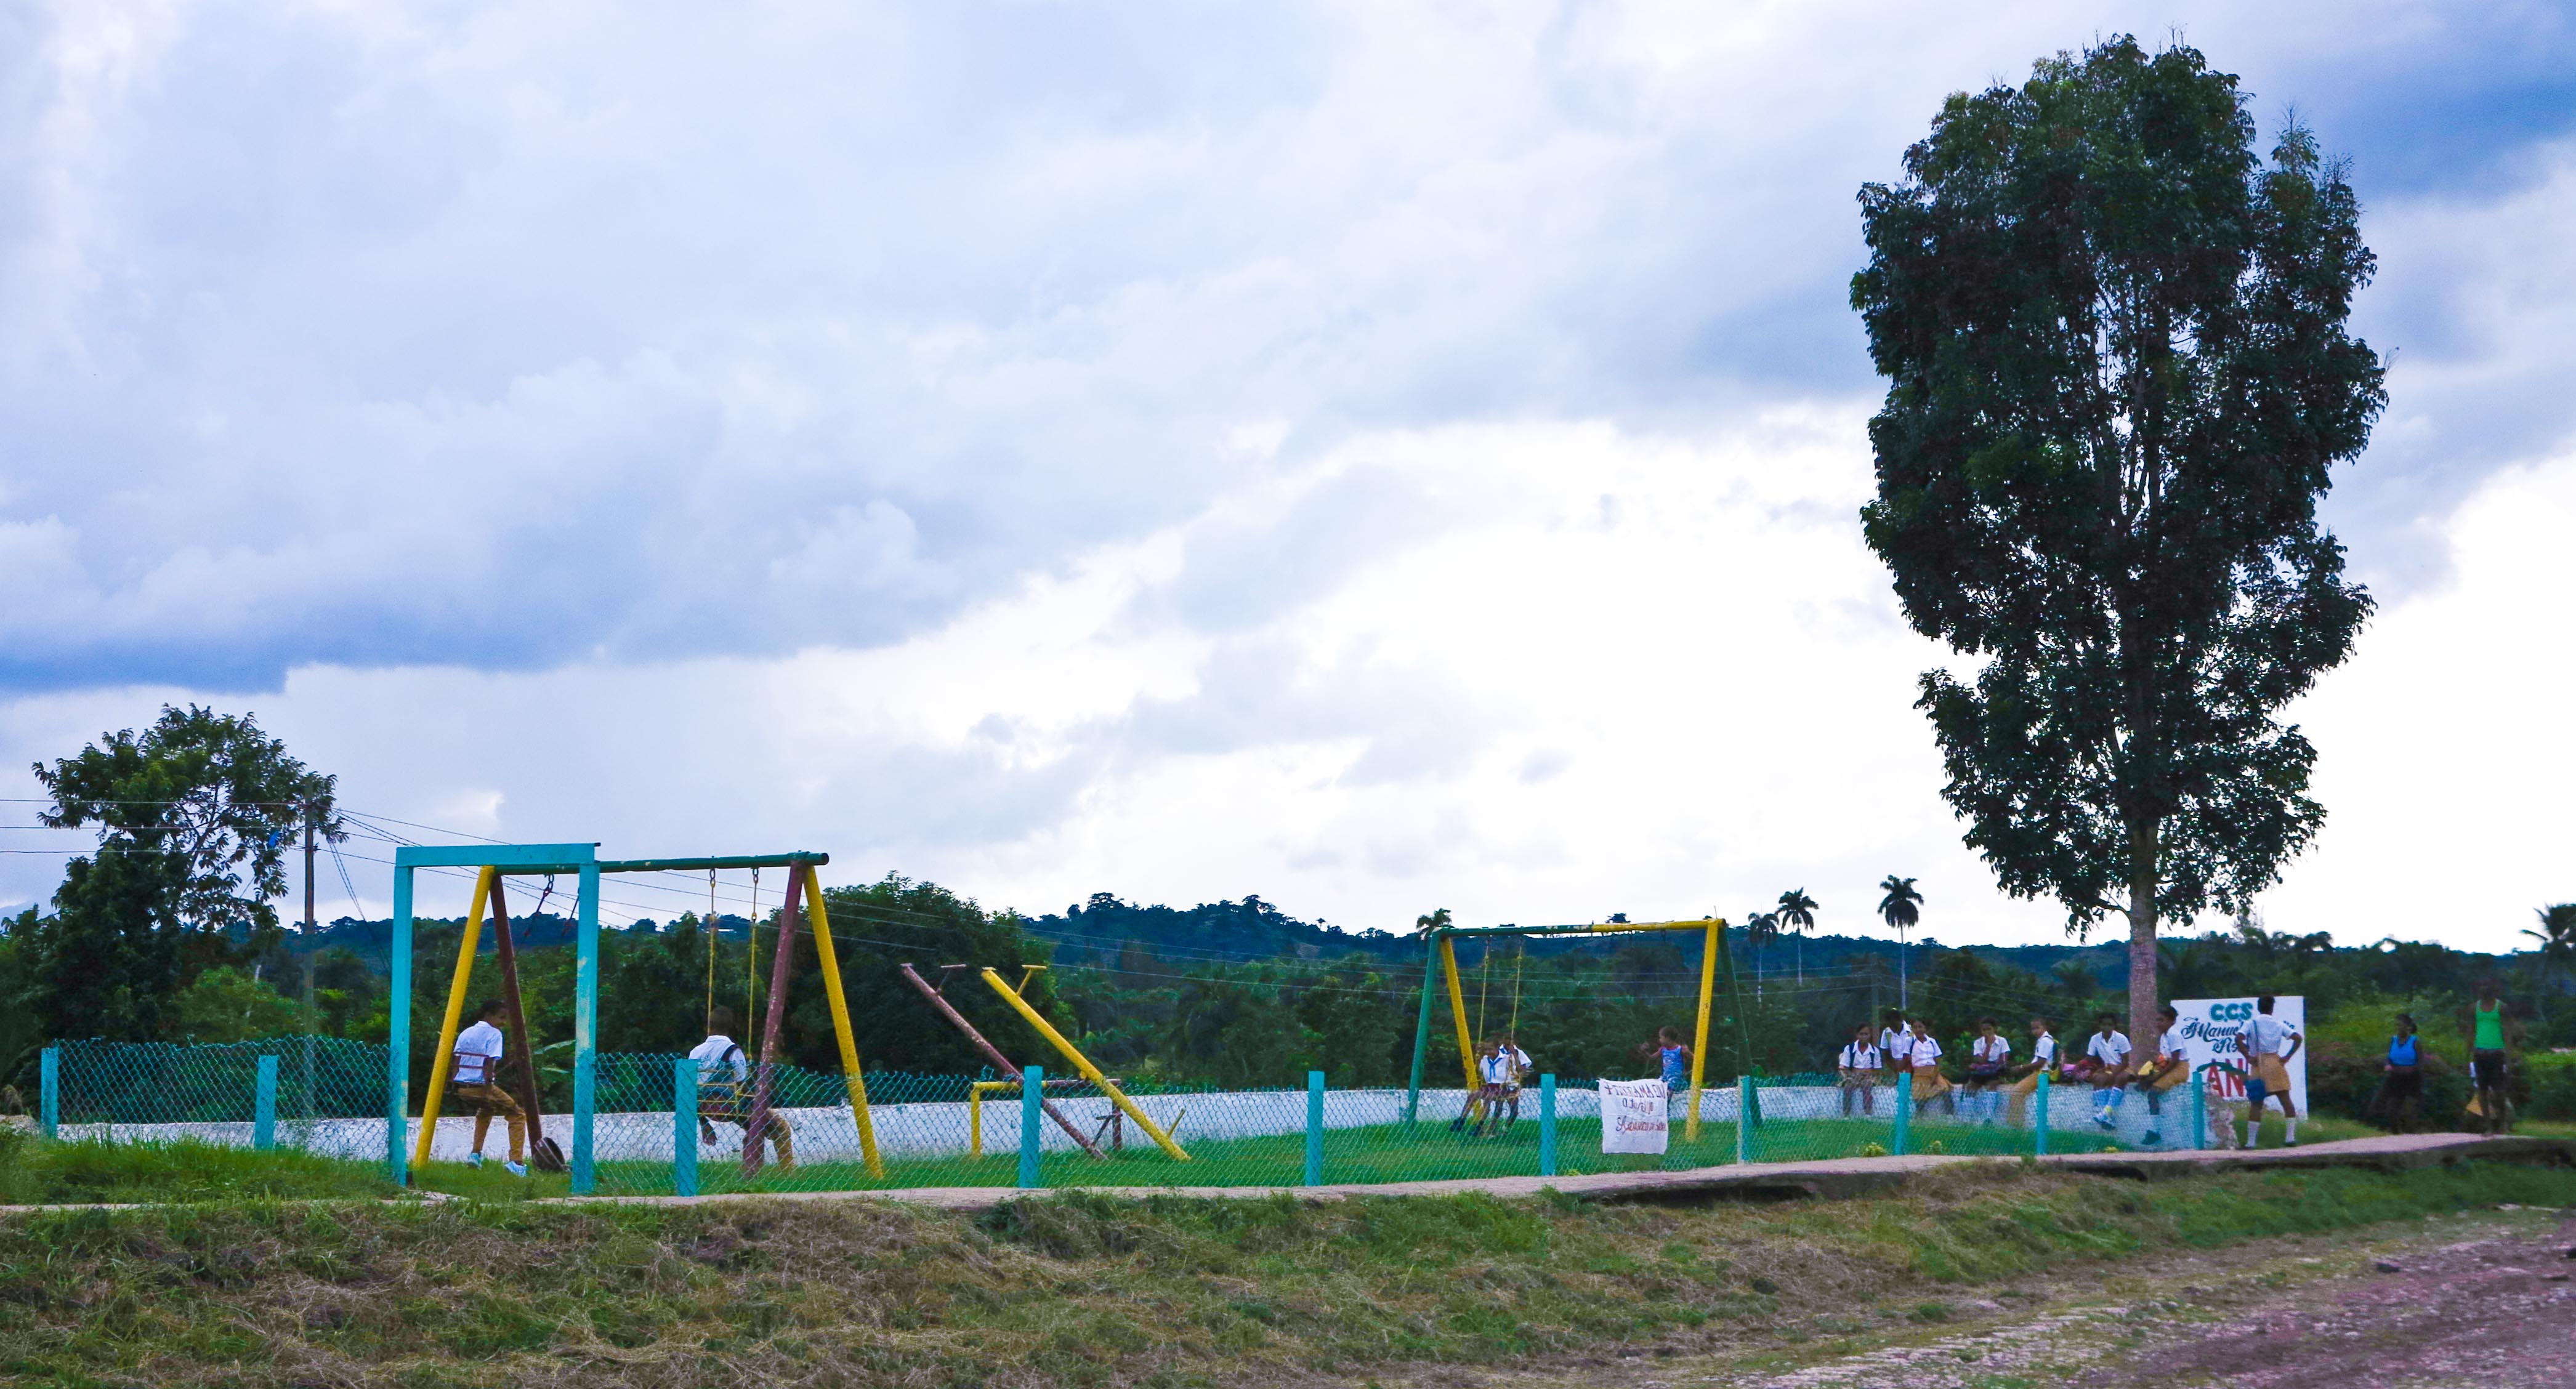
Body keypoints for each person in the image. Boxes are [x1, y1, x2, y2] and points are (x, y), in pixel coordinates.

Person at [691, 1008, 795, 1167]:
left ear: (708, 1027)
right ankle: (785, 1172)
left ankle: (752, 1164)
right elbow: (741, 1079)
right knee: (781, 1128)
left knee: (754, 1128)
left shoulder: (695, 1052)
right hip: (732, 1106)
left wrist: (704, 1123)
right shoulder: (733, 1050)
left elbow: (692, 1086)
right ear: (730, 1028)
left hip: (706, 1109)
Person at [450, 999, 527, 1177]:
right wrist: (489, 1083)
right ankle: (516, 1162)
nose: (504, 1022)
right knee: (517, 1114)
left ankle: (475, 1155)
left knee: (485, 1111)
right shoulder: (495, 1034)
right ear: (488, 1016)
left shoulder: (466, 1032)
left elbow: (456, 1059)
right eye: (501, 1017)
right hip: (481, 1087)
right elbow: (490, 1062)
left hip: (462, 1088)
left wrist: (455, 1083)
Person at [2234, 994, 2303, 1148]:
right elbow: (2298, 1038)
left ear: (2259, 1008)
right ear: (2272, 1008)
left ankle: (2251, 1142)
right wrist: (2287, 1057)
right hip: (2276, 1062)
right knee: (2285, 1100)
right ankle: (2290, 1138)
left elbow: (2238, 1038)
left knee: (2256, 1104)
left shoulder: (2251, 1023)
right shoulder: (2279, 1024)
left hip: (2258, 1064)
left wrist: (2248, 1056)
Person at [2128, 1005, 2190, 1146]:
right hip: (2168, 1065)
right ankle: (2153, 1129)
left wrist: (2156, 1077)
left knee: (2153, 1093)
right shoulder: (2164, 1036)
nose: (2158, 1023)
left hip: (2179, 1068)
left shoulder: (2174, 1035)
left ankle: (2155, 1130)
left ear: (2172, 1021)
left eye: (2161, 1020)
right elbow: (2164, 1058)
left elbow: (2175, 1061)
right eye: (2157, 1020)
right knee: (2142, 1079)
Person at [2463, 984, 2516, 1135]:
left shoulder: (2502, 1007)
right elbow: (2471, 1032)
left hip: (2497, 1053)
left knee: (2499, 1091)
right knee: (2482, 1091)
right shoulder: (2474, 1008)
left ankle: (2503, 1123)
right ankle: (2488, 1126)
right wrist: (2466, 1056)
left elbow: (2508, 1033)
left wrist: (2509, 1058)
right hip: (2480, 1054)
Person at [2078, 1012, 2131, 1131]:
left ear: (2114, 1026)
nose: (2107, 1028)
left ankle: (2105, 1112)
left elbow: (2126, 1062)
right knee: (2098, 1079)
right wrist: (2087, 1069)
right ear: (2100, 1025)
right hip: (2108, 1068)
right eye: (2104, 1025)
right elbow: (2090, 1058)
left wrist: (2114, 1074)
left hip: (2123, 1067)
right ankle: (2108, 1118)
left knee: (2120, 1078)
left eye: (2110, 1025)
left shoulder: (2121, 1039)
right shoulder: (2095, 1039)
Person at [2005, 1017, 2057, 1128]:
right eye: (2033, 1029)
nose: (2035, 1031)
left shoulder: (2045, 1041)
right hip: (2039, 1073)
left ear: (2045, 1027)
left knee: (2017, 1092)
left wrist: (2021, 1068)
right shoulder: (2043, 1040)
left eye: (2038, 1028)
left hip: (2042, 1074)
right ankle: (2015, 1124)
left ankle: (2016, 1125)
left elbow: (2040, 1063)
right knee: (2016, 1090)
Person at [1899, 1014, 1956, 1116]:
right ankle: (1920, 1115)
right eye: (1915, 1027)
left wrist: (1934, 1075)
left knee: (1945, 1090)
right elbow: (1906, 1058)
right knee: (1919, 1096)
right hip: (1919, 1073)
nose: (1918, 1030)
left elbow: (1938, 1060)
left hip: (1933, 1071)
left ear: (1925, 1028)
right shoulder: (1909, 1041)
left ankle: (1950, 1115)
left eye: (1920, 1027)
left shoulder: (1932, 1042)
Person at [2377, 1012, 2424, 1134]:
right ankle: (2397, 1136)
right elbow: (2387, 1057)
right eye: (2397, 1025)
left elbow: (2421, 1062)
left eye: (2400, 1025)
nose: (2398, 1028)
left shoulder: (2415, 1042)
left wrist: (2410, 1070)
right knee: (2391, 1112)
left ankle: (2411, 1137)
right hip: (2395, 1078)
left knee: (2409, 1112)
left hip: (2411, 1079)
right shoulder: (2392, 1040)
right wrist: (2387, 1065)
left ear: (2408, 1027)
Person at [1963, 1018, 2010, 1124]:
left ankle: (1988, 1118)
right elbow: (1981, 1060)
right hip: (1982, 1069)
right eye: (1984, 1030)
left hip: (1995, 1070)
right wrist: (1988, 1046)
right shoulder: (1978, 1043)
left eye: (1989, 1029)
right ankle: (1967, 1118)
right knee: (1971, 1087)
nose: (1987, 1032)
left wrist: (1995, 1066)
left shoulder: (2002, 1041)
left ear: (1994, 1029)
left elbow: (2003, 1060)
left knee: (1992, 1085)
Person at [1837, 1024, 1883, 1116]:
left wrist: (1868, 1073)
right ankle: (1846, 1114)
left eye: (1866, 1034)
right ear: (1857, 1035)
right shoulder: (1849, 1049)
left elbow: (1878, 1069)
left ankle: (1868, 1114)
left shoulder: (1875, 1051)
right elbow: (1843, 1067)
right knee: (1848, 1088)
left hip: (1869, 1077)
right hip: (1853, 1076)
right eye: (1861, 1034)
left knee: (1867, 1086)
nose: (1864, 1037)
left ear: (1870, 1035)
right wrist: (1853, 1074)